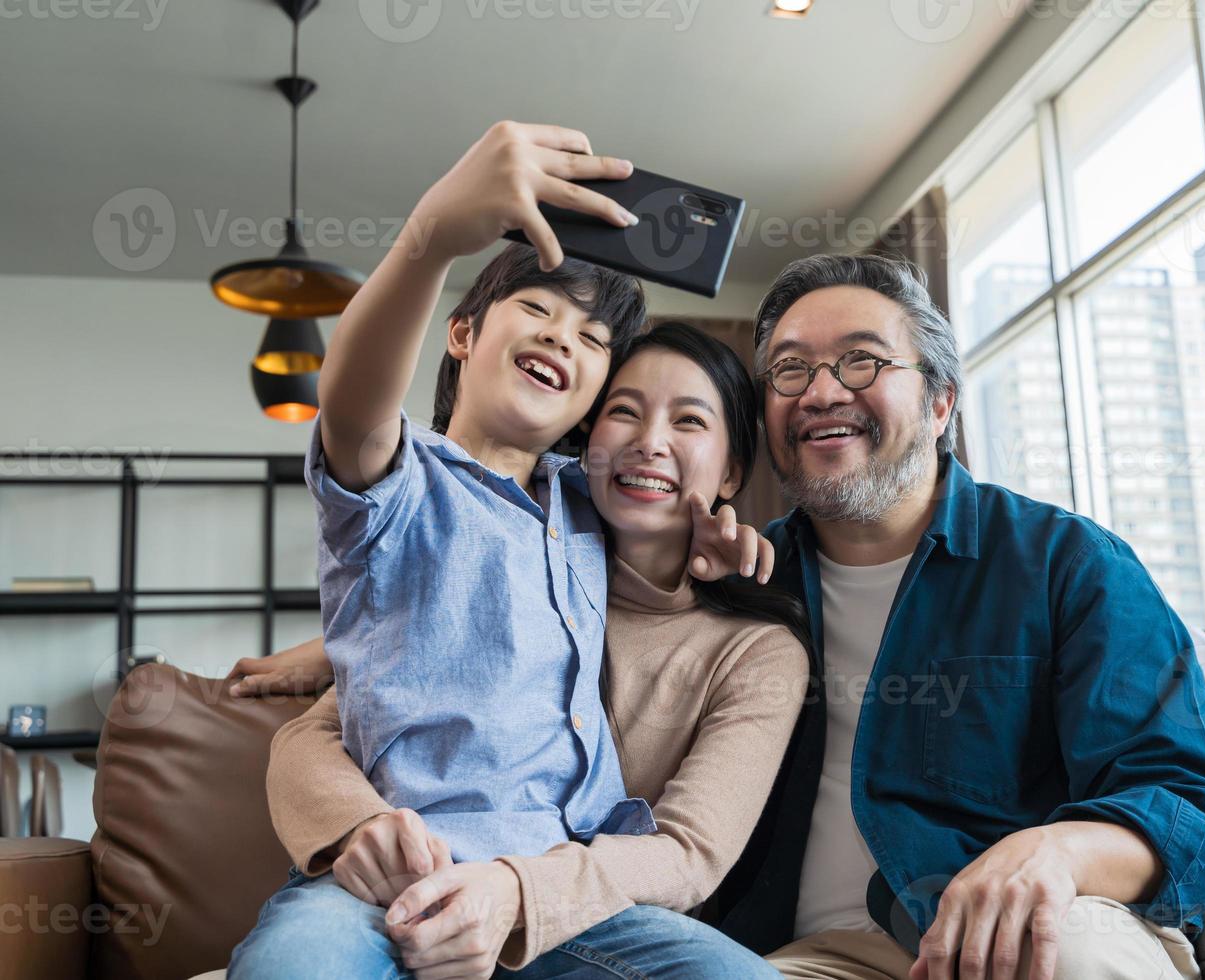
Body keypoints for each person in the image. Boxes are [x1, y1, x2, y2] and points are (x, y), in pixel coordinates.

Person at [228, 119, 787, 979]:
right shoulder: (399, 477)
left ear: (594, 395)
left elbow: (602, 562)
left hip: (562, 891)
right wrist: (430, 240)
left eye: (594, 342)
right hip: (391, 883)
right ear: (462, 334)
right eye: (537, 309)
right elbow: (353, 403)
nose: (564, 337)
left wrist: (703, 535)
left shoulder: (585, 504)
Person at [687, 252, 1205, 980]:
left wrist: (1061, 852)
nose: (822, 391)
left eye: (861, 360)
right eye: (791, 370)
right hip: (803, 959)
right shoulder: (746, 584)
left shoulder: (1067, 562)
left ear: (942, 401)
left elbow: (1201, 815)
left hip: (1034, 930)